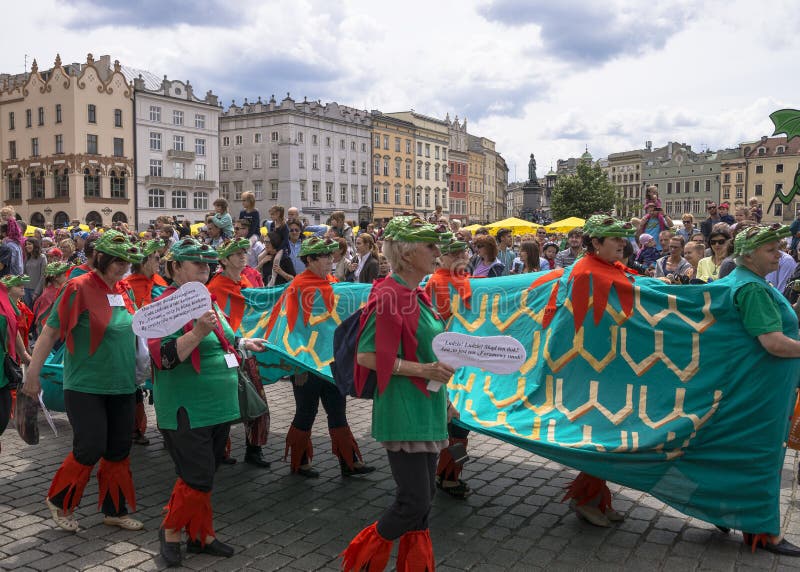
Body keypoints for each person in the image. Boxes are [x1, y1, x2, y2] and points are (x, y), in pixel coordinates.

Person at [341, 216, 456, 571]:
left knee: (426, 499)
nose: (438, 253)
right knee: (412, 500)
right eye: (430, 246)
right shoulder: (390, 295)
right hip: (403, 410)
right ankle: (359, 560)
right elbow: (366, 356)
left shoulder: (416, 294)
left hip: (428, 406)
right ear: (407, 254)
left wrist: (445, 397)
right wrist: (425, 371)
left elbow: (426, 351)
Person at [149, 237, 266, 566]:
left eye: (207, 263)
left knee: (202, 475)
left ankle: (201, 535)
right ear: (174, 268)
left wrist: (244, 341)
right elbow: (164, 358)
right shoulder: (165, 304)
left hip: (219, 405)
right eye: (196, 263)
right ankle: (170, 530)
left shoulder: (207, 300)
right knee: (197, 477)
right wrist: (198, 331)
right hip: (187, 407)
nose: (205, 267)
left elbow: (225, 339)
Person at [22, 230, 145, 533]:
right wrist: (33, 376)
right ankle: (60, 501)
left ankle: (114, 511)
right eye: (115, 259)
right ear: (99, 257)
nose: (121, 265)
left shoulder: (125, 290)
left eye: (126, 260)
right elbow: (50, 332)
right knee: (90, 447)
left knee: (118, 448)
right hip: (85, 386)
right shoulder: (77, 287)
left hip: (123, 384)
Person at [263, 237, 375, 479]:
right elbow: (288, 325)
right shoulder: (297, 287)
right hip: (305, 364)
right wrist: (296, 360)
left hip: (329, 363)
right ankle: (299, 463)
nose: (330, 260)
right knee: (306, 411)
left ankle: (349, 462)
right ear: (310, 260)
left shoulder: (333, 284)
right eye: (324, 256)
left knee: (338, 411)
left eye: (330, 255)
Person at [719, 223, 800, 556]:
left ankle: (723, 510)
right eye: (771, 249)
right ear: (749, 254)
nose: (779, 254)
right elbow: (774, 344)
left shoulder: (744, 280)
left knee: (742, 455)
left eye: (779, 247)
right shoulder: (751, 288)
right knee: (764, 459)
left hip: (753, 385)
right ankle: (764, 532)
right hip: (763, 390)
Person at [561, 214, 632, 527]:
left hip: (611, 365)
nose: (622, 243)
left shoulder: (607, 267)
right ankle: (586, 499)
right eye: (615, 238)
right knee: (598, 435)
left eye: (622, 237)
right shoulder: (585, 271)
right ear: (596, 243)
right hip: (592, 367)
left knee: (606, 434)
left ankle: (597, 497)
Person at [206, 238, 271, 468]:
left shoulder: (247, 281)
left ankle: (254, 450)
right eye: (236, 253)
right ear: (224, 260)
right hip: (226, 352)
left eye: (244, 252)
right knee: (225, 404)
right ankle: (220, 450)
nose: (243, 256)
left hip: (248, 350)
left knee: (256, 402)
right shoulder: (215, 287)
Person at [424, 237, 474, 499]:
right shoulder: (435, 283)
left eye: (461, 252)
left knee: (459, 423)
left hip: (466, 360)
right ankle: (448, 476)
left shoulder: (468, 282)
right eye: (452, 253)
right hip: (446, 360)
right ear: (441, 257)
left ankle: (450, 474)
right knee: (456, 422)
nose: (458, 257)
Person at [23, 238, 47, 309]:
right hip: (26, 289)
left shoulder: (42, 257)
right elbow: (24, 273)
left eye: (29, 244)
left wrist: (37, 292)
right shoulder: (27, 257)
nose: (27, 246)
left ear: (35, 245)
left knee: (36, 312)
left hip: (36, 290)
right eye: (26, 244)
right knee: (28, 313)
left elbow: (43, 276)